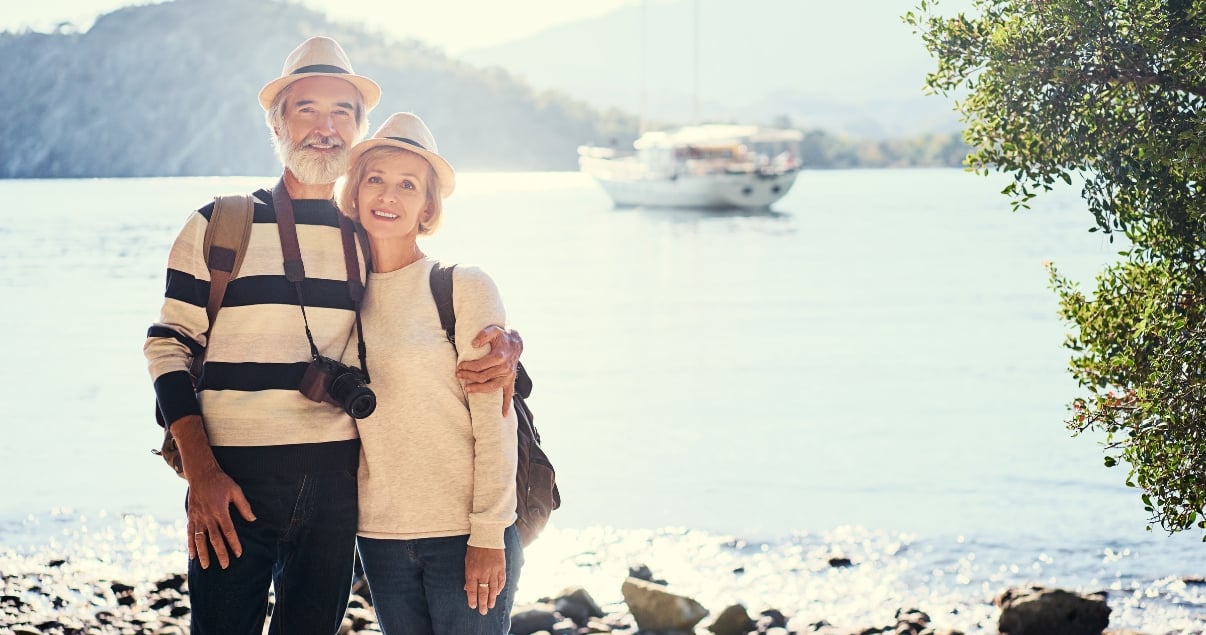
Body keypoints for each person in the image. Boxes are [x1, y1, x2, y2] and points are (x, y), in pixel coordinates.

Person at [143, 37, 522, 635]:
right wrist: (201, 471)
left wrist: (507, 348)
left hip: (335, 489)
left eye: (341, 112)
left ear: (358, 128)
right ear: (277, 121)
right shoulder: (221, 224)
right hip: (229, 482)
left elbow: (423, 310)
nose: (324, 127)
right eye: (306, 109)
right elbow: (168, 345)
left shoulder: (363, 235)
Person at [336, 112, 522, 635]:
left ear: (427, 206)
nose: (387, 196)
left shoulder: (462, 285)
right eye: (375, 179)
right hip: (380, 537)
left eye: (407, 185)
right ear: (354, 193)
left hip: (463, 534)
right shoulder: (337, 298)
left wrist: (487, 532)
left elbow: (495, 419)